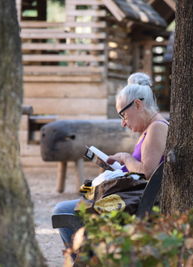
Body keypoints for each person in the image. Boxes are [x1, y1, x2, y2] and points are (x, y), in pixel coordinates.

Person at [52, 73, 169, 248]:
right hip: (129, 199)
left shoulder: (157, 128)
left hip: (133, 205)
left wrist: (125, 157)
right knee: (74, 200)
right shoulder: (151, 128)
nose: (123, 123)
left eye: (123, 115)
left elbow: (147, 172)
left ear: (137, 104)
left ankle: (82, 258)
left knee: (62, 211)